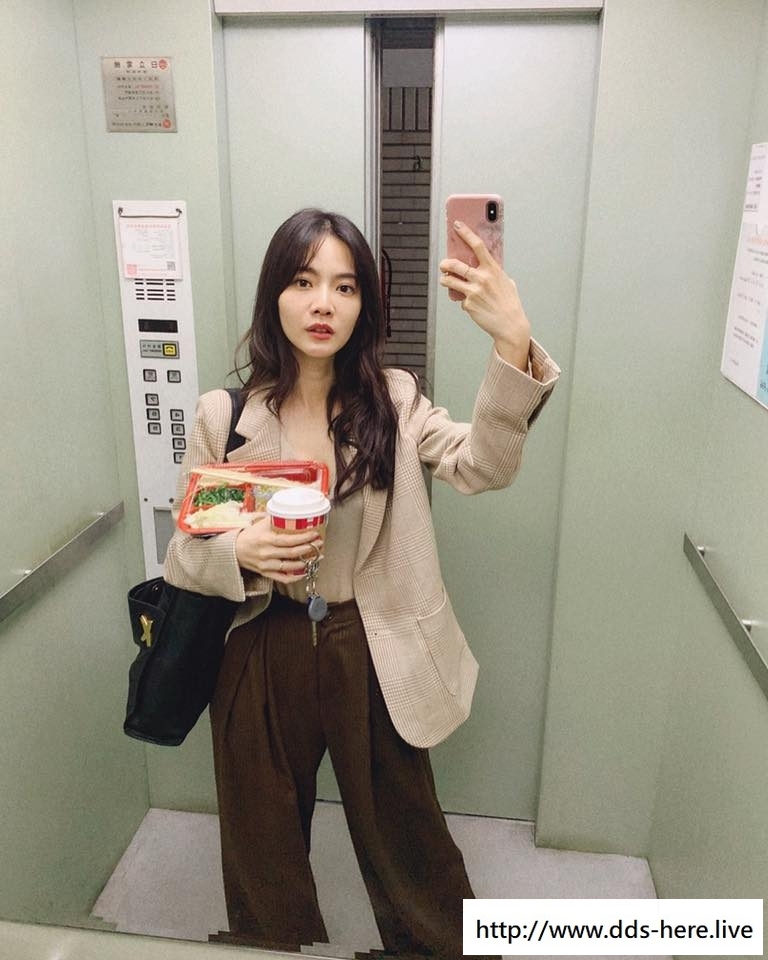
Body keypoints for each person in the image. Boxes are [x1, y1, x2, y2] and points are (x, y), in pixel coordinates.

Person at [164, 208, 559, 957]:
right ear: (274, 295)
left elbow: (484, 464)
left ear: (364, 305)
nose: (323, 303)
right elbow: (186, 552)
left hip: (371, 641)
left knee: (409, 838)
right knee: (260, 838)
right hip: (261, 647)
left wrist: (511, 342)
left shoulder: (394, 403)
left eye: (344, 287)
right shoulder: (228, 417)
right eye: (304, 281)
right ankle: (270, 943)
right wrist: (241, 550)